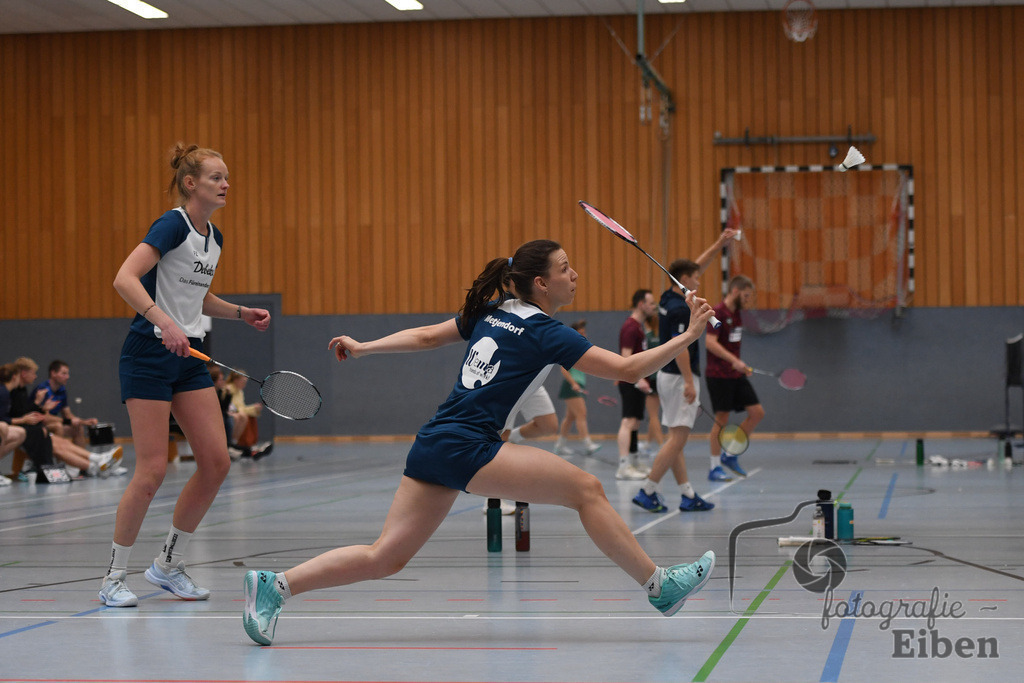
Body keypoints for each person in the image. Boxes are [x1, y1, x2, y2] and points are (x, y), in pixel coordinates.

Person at [242, 240, 717, 645]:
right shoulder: (548, 332)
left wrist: (366, 347)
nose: (576, 274)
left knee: (384, 556)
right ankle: (659, 587)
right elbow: (629, 370)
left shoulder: (494, 312)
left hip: (434, 440)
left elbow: (428, 336)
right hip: (469, 444)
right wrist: (691, 334)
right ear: (542, 284)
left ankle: (275, 586)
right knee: (587, 490)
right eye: (565, 268)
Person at [100, 143, 271, 608]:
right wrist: (164, 322)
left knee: (216, 462)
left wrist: (241, 312)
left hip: (187, 356)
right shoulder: (171, 223)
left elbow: (197, 298)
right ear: (191, 183)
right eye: (217, 177)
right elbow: (125, 279)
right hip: (148, 354)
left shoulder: (214, 237)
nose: (226, 183)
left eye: (227, 176)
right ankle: (113, 577)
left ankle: (168, 566)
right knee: (152, 470)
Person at [632, 229, 740, 514]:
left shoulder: (669, 297)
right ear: (685, 278)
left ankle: (686, 494)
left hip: (667, 377)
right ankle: (648, 490)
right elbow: (679, 347)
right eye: (695, 276)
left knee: (674, 438)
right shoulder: (680, 309)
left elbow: (696, 266)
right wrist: (691, 382)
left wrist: (718, 244)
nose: (699, 278)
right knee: (678, 438)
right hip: (680, 376)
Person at [5, 358, 123, 478]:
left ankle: (95, 461)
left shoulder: (27, 390)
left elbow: (63, 415)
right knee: (56, 434)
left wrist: (82, 422)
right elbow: (36, 416)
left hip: (32, 428)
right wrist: (38, 405)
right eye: (64, 373)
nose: (35, 376)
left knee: (72, 431)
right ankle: (90, 465)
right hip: (34, 428)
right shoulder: (39, 389)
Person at [705, 275, 764, 479]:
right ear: (735, 291)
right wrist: (734, 361)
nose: (748, 300)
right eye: (746, 295)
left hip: (734, 374)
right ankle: (714, 467)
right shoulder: (718, 312)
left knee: (757, 413)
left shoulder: (737, 313)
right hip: (718, 374)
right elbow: (710, 342)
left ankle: (729, 454)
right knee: (721, 419)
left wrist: (740, 366)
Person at [614, 289, 657, 480]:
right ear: (641, 304)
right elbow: (625, 356)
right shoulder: (630, 327)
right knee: (628, 422)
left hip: (638, 381)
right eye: (651, 303)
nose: (653, 307)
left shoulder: (640, 327)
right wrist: (639, 381)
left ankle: (633, 462)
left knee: (636, 423)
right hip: (631, 382)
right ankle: (623, 466)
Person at [553, 319, 601, 456]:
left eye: (584, 332)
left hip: (577, 385)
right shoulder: (571, 347)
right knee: (581, 413)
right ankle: (588, 444)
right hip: (571, 386)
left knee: (570, 418)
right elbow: (563, 369)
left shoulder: (581, 347)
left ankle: (559, 446)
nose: (584, 334)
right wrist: (573, 383)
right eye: (581, 332)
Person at [34, 359, 100, 446]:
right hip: (38, 426)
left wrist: (84, 422)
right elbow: (44, 417)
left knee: (78, 427)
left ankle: (82, 458)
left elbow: (68, 415)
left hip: (54, 424)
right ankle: (59, 458)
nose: (67, 377)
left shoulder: (62, 390)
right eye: (64, 373)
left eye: (67, 374)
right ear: (53, 373)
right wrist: (68, 421)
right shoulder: (43, 389)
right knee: (58, 426)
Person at [225, 370, 272, 458]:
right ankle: (231, 445)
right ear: (236, 380)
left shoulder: (240, 392)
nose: (244, 384)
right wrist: (253, 409)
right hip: (227, 413)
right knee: (241, 416)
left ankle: (237, 445)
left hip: (235, 413)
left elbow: (241, 408)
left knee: (248, 416)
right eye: (243, 382)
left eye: (246, 382)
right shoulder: (229, 389)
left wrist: (254, 409)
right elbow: (237, 410)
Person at [640, 312, 664, 456]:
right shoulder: (662, 337)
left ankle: (662, 446)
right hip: (662, 378)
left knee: (653, 415)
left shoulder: (647, 337)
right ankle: (648, 443)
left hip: (651, 379)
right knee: (654, 413)